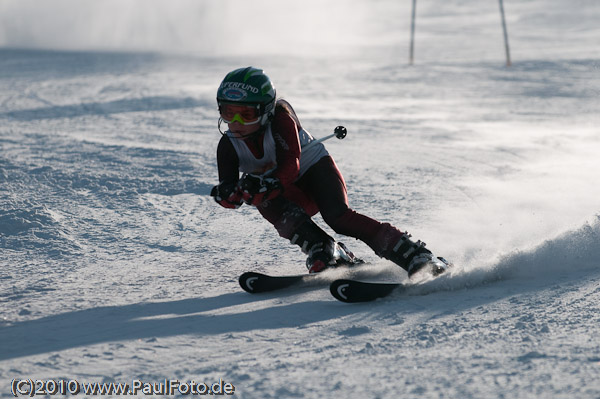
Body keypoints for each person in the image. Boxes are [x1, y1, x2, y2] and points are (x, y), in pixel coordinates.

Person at [210, 66, 448, 277]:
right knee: (264, 201)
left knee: (338, 216)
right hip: (288, 189)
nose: (237, 122)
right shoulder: (228, 145)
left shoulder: (281, 122)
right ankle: (322, 247)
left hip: (314, 171)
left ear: (266, 111)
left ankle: (413, 253)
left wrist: (265, 185)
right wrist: (231, 195)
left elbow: (290, 166)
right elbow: (230, 186)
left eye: (247, 114)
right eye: (228, 113)